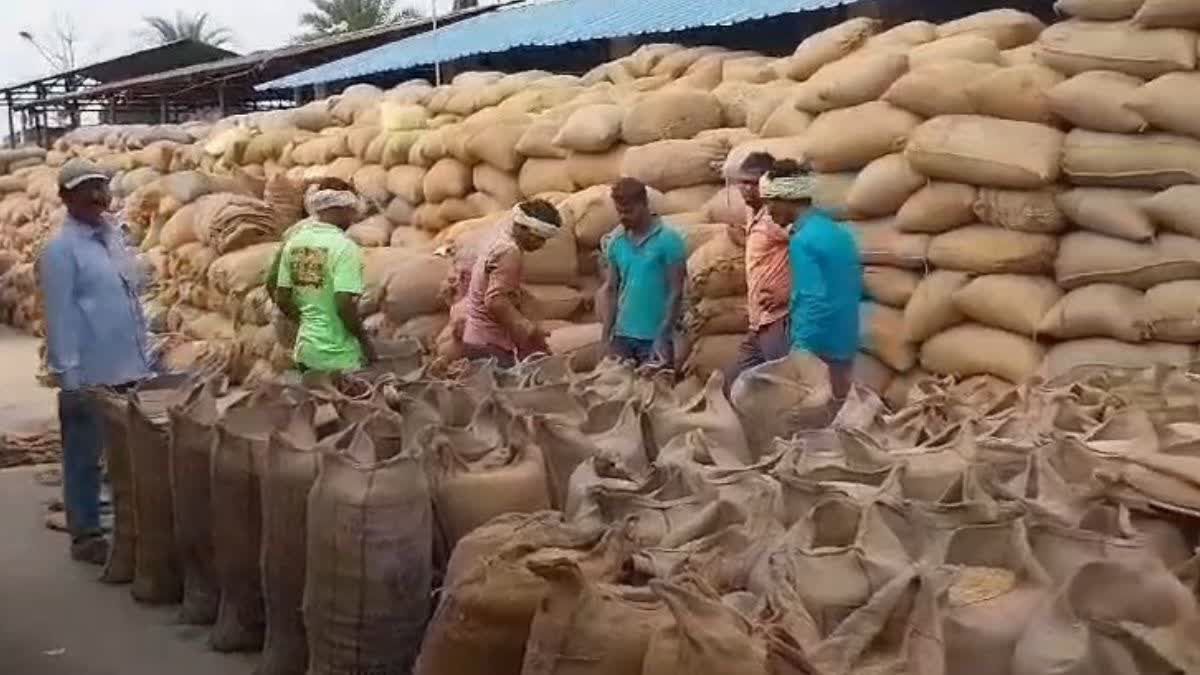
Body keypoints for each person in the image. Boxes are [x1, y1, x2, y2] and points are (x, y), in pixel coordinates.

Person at [39, 159, 156, 564]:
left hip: (131, 367)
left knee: (126, 459)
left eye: (99, 186)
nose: (94, 195)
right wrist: (69, 378)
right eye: (84, 188)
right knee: (84, 457)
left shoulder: (114, 240)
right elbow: (59, 317)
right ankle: (86, 534)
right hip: (90, 373)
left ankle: (129, 528)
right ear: (65, 197)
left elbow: (131, 300)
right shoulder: (60, 250)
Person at [762, 159, 862, 410]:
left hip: (819, 347)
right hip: (844, 339)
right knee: (840, 408)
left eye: (771, 202)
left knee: (816, 421)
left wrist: (802, 351)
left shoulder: (804, 240)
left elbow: (812, 298)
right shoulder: (837, 232)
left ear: (787, 198)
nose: (768, 211)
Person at [273, 184, 377, 373]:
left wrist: (309, 323)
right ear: (338, 210)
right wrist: (364, 341)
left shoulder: (294, 243)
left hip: (306, 352)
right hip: (340, 357)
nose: (352, 218)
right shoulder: (344, 247)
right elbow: (343, 303)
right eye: (350, 211)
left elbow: (282, 297)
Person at [460, 199, 563, 368]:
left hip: (475, 339)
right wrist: (528, 330)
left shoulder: (498, 240)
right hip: (490, 345)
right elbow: (496, 301)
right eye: (539, 239)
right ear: (525, 229)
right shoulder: (510, 252)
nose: (541, 245)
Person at [721, 151, 792, 391]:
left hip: (777, 319)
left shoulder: (777, 220)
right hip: (757, 323)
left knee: (784, 387)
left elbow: (807, 250)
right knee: (731, 383)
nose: (747, 190)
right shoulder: (753, 214)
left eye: (754, 183)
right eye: (743, 183)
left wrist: (789, 291)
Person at [602, 177, 687, 368]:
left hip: (655, 338)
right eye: (620, 211)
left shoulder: (669, 241)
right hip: (622, 336)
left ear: (644, 204)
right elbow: (611, 290)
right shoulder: (616, 243)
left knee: (656, 393)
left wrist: (663, 335)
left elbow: (676, 292)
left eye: (629, 211)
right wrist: (606, 336)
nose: (623, 216)